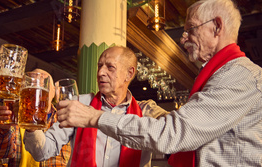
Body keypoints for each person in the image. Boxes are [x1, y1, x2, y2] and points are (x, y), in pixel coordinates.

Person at [55, 0, 262, 166]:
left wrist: (94, 117)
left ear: (217, 27)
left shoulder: (240, 76)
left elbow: (172, 134)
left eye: (190, 29)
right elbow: (195, 133)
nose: (183, 38)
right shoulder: (223, 75)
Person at [20, 46, 169, 167]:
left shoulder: (147, 111)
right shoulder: (79, 104)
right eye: (99, 66)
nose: (100, 72)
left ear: (129, 74)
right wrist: (32, 127)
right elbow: (42, 152)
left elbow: (173, 133)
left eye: (110, 67)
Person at [0, 69, 72, 167]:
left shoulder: (65, 118)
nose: (38, 89)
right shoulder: (15, 115)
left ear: (54, 91)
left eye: (44, 84)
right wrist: (3, 129)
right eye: (32, 83)